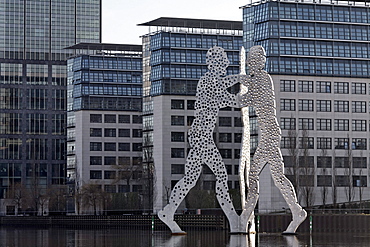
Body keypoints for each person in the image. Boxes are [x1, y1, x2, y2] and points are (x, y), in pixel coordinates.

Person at [158, 46, 246, 234]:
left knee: (189, 179)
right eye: (223, 63)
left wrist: (247, 94)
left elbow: (232, 100)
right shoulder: (207, 81)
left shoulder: (214, 86)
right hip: (201, 136)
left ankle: (168, 212)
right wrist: (239, 78)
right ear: (214, 64)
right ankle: (233, 220)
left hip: (200, 136)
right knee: (221, 175)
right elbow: (221, 87)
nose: (225, 66)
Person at [239, 45, 307, 234]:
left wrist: (233, 87)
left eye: (252, 61)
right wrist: (238, 79)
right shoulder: (259, 79)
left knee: (253, 175)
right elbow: (248, 88)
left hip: (269, 133)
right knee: (278, 177)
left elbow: (246, 99)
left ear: (259, 62)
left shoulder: (262, 79)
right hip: (270, 132)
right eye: (248, 61)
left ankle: (245, 217)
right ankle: (297, 211)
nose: (250, 64)